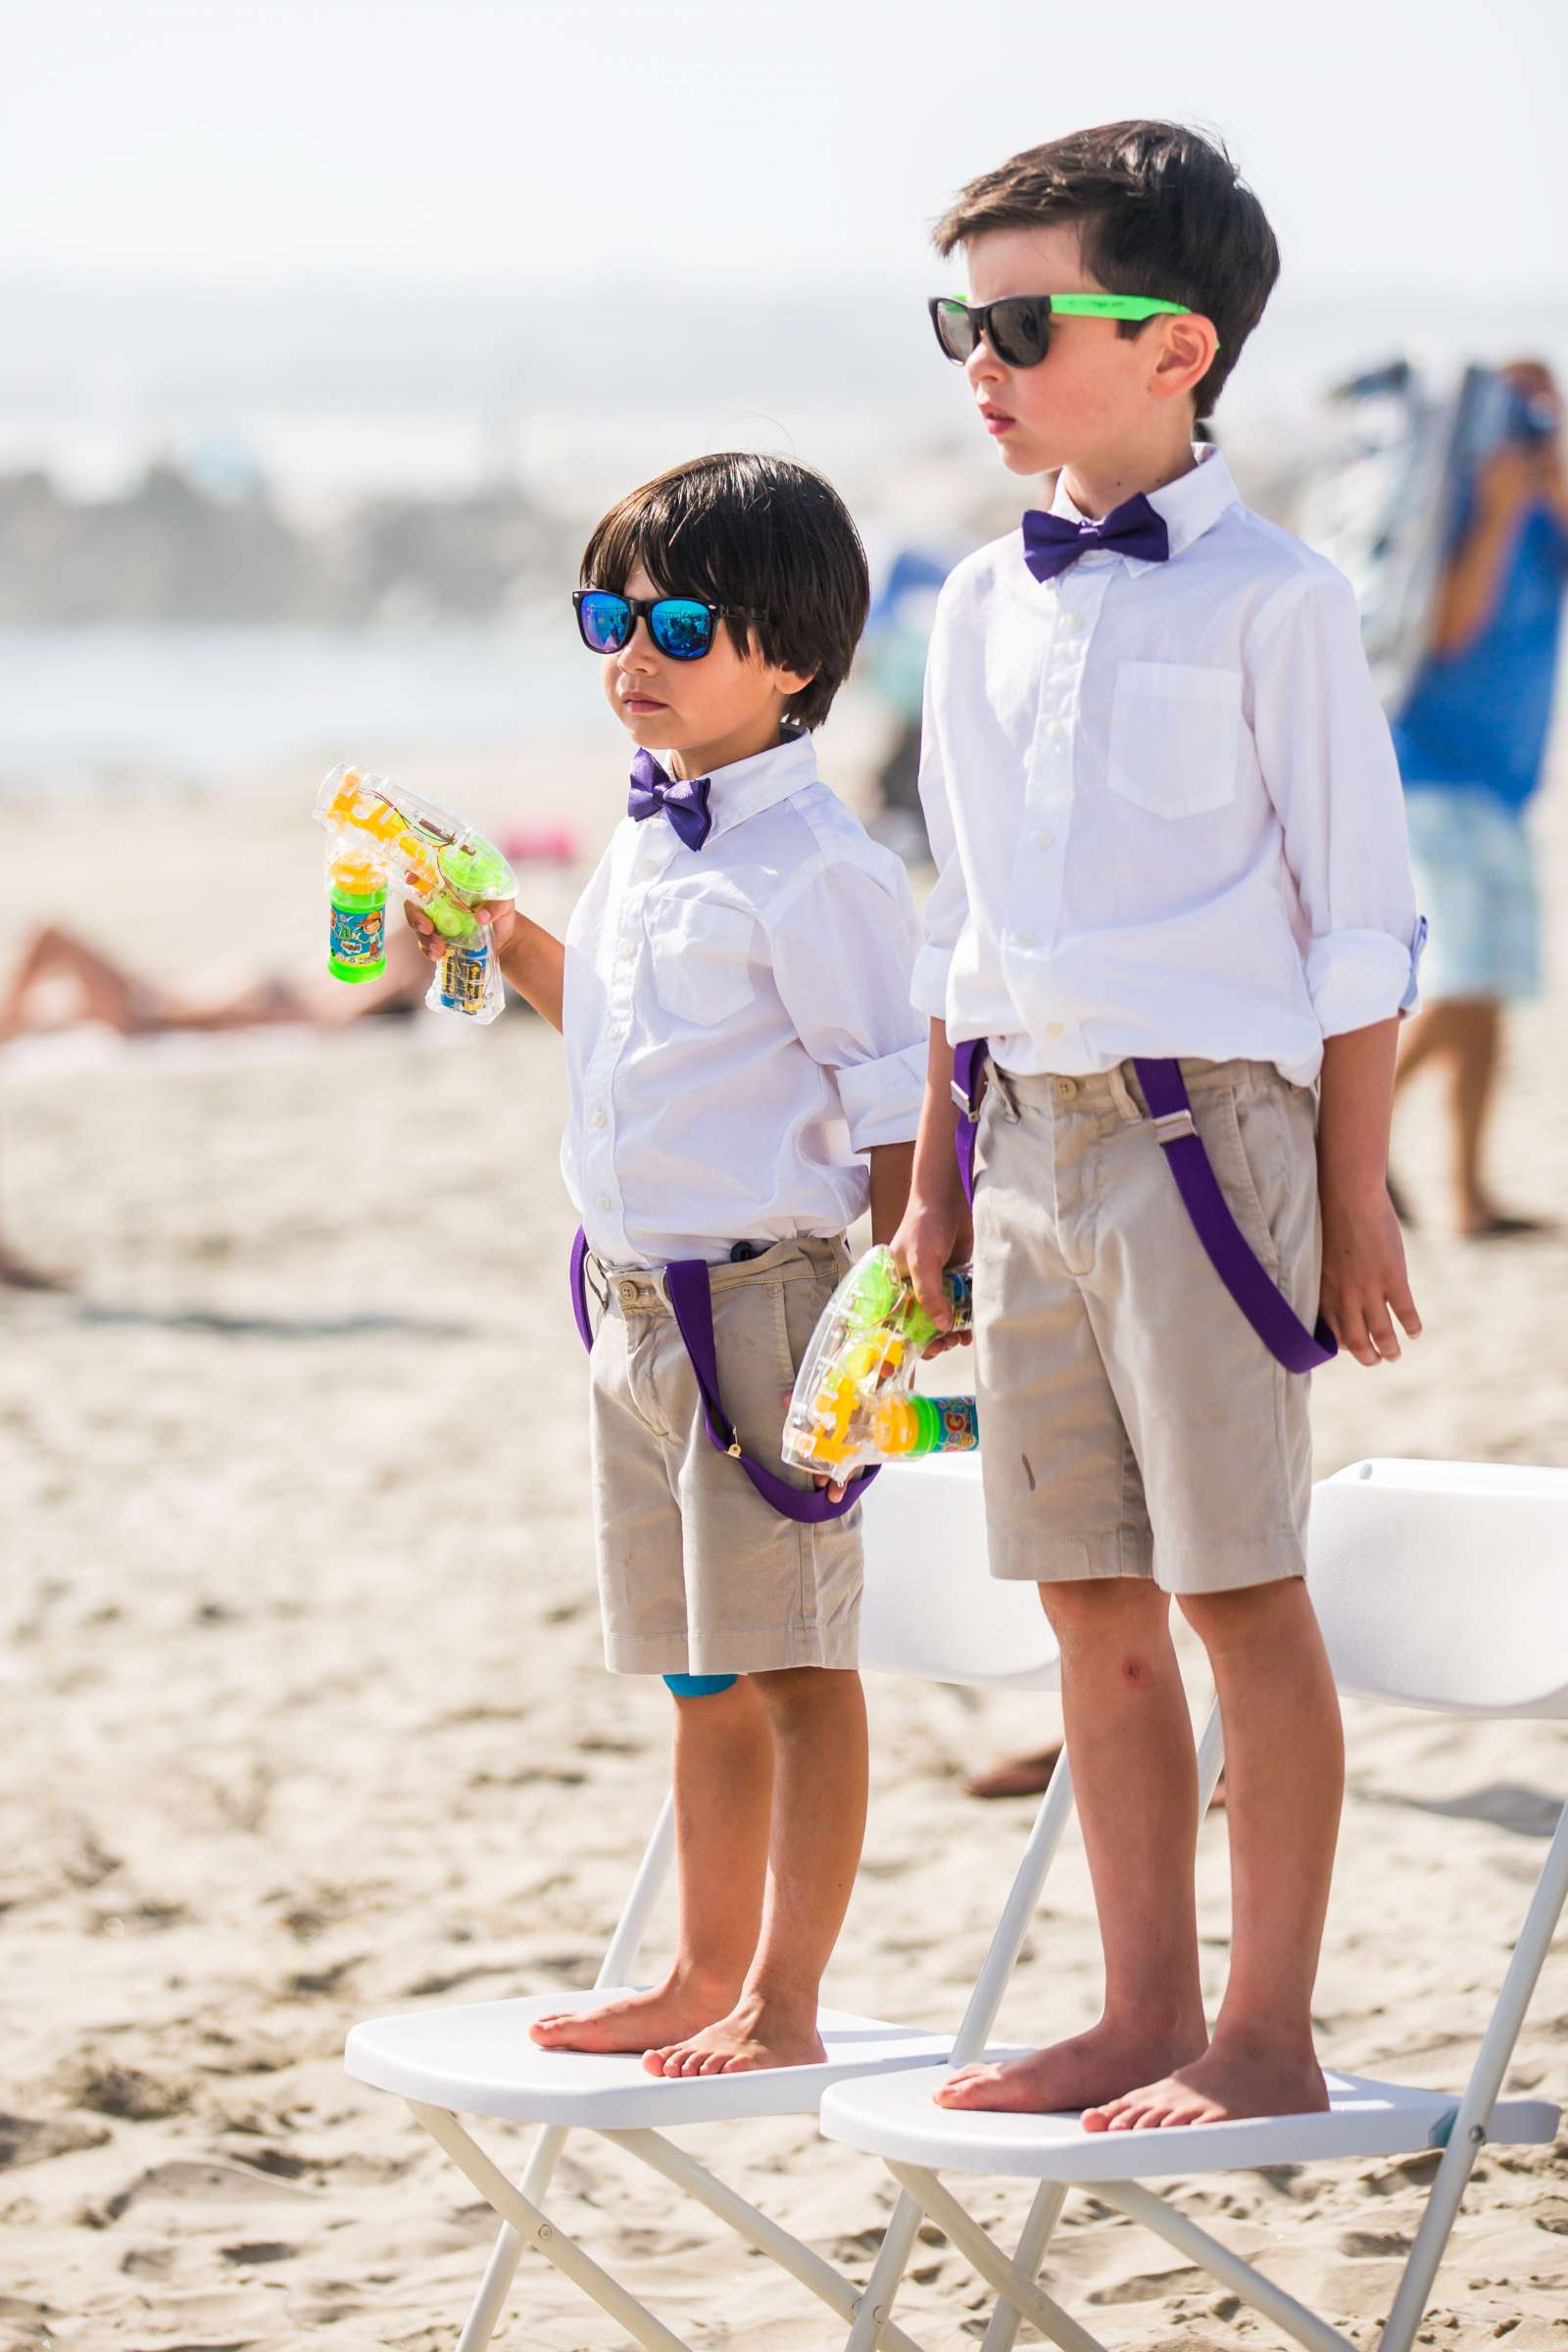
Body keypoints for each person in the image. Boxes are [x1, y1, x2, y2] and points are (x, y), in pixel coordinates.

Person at [892, 122, 1423, 2132]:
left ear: (1175, 343)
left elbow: (1359, 924)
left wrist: (1355, 1200)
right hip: (1018, 1143)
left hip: (1214, 1150)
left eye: (1020, 316)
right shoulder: (967, 607)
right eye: (959, 316)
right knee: (1085, 1606)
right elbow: (963, 928)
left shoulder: (1276, 602)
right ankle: (1134, 2009)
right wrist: (935, 1202)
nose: (977, 353)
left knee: (1231, 1590)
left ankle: (1261, 2030)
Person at [406, 453, 925, 2077]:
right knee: (701, 1674)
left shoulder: (819, 868)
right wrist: (496, 931)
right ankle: (702, 1973)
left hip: (772, 1304)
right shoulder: (646, 841)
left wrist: (900, 1303)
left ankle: (787, 1995)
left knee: (796, 1668)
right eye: (608, 615)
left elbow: (898, 1103)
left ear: (793, 662)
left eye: (680, 623)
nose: (633, 650)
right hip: (628, 1305)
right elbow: (623, 1031)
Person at [1391, 362, 1568, 1237]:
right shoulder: (1461, 502)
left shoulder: (1548, 511)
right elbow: (1451, 633)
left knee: (1490, 985)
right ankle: (1346, 1132)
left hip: (1501, 781)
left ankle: (1466, 1194)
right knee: (1464, 976)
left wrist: (1552, 473)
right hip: (1431, 771)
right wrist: (1497, 509)